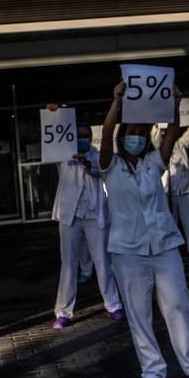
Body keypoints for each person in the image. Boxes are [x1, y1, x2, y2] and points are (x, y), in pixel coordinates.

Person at [99, 80, 189, 378]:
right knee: (139, 315)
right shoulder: (110, 165)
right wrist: (116, 103)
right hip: (128, 252)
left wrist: (174, 106)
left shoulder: (155, 162)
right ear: (123, 137)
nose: (135, 137)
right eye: (131, 133)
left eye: (140, 133)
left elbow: (172, 133)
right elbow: (108, 133)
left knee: (178, 305)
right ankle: (152, 372)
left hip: (164, 246)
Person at [48, 106, 124, 329]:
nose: (82, 139)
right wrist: (52, 114)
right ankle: (63, 312)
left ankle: (113, 304)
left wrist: (87, 164)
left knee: (103, 261)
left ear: (91, 137)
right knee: (68, 265)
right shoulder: (62, 154)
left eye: (86, 136)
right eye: (78, 135)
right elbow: (51, 138)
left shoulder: (99, 155)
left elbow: (101, 170)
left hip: (94, 214)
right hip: (69, 215)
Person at [158, 112, 189, 267]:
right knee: (167, 226)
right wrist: (156, 125)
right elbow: (154, 137)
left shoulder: (180, 144)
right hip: (166, 194)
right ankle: (170, 257)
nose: (167, 134)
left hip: (185, 191)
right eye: (164, 131)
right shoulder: (158, 147)